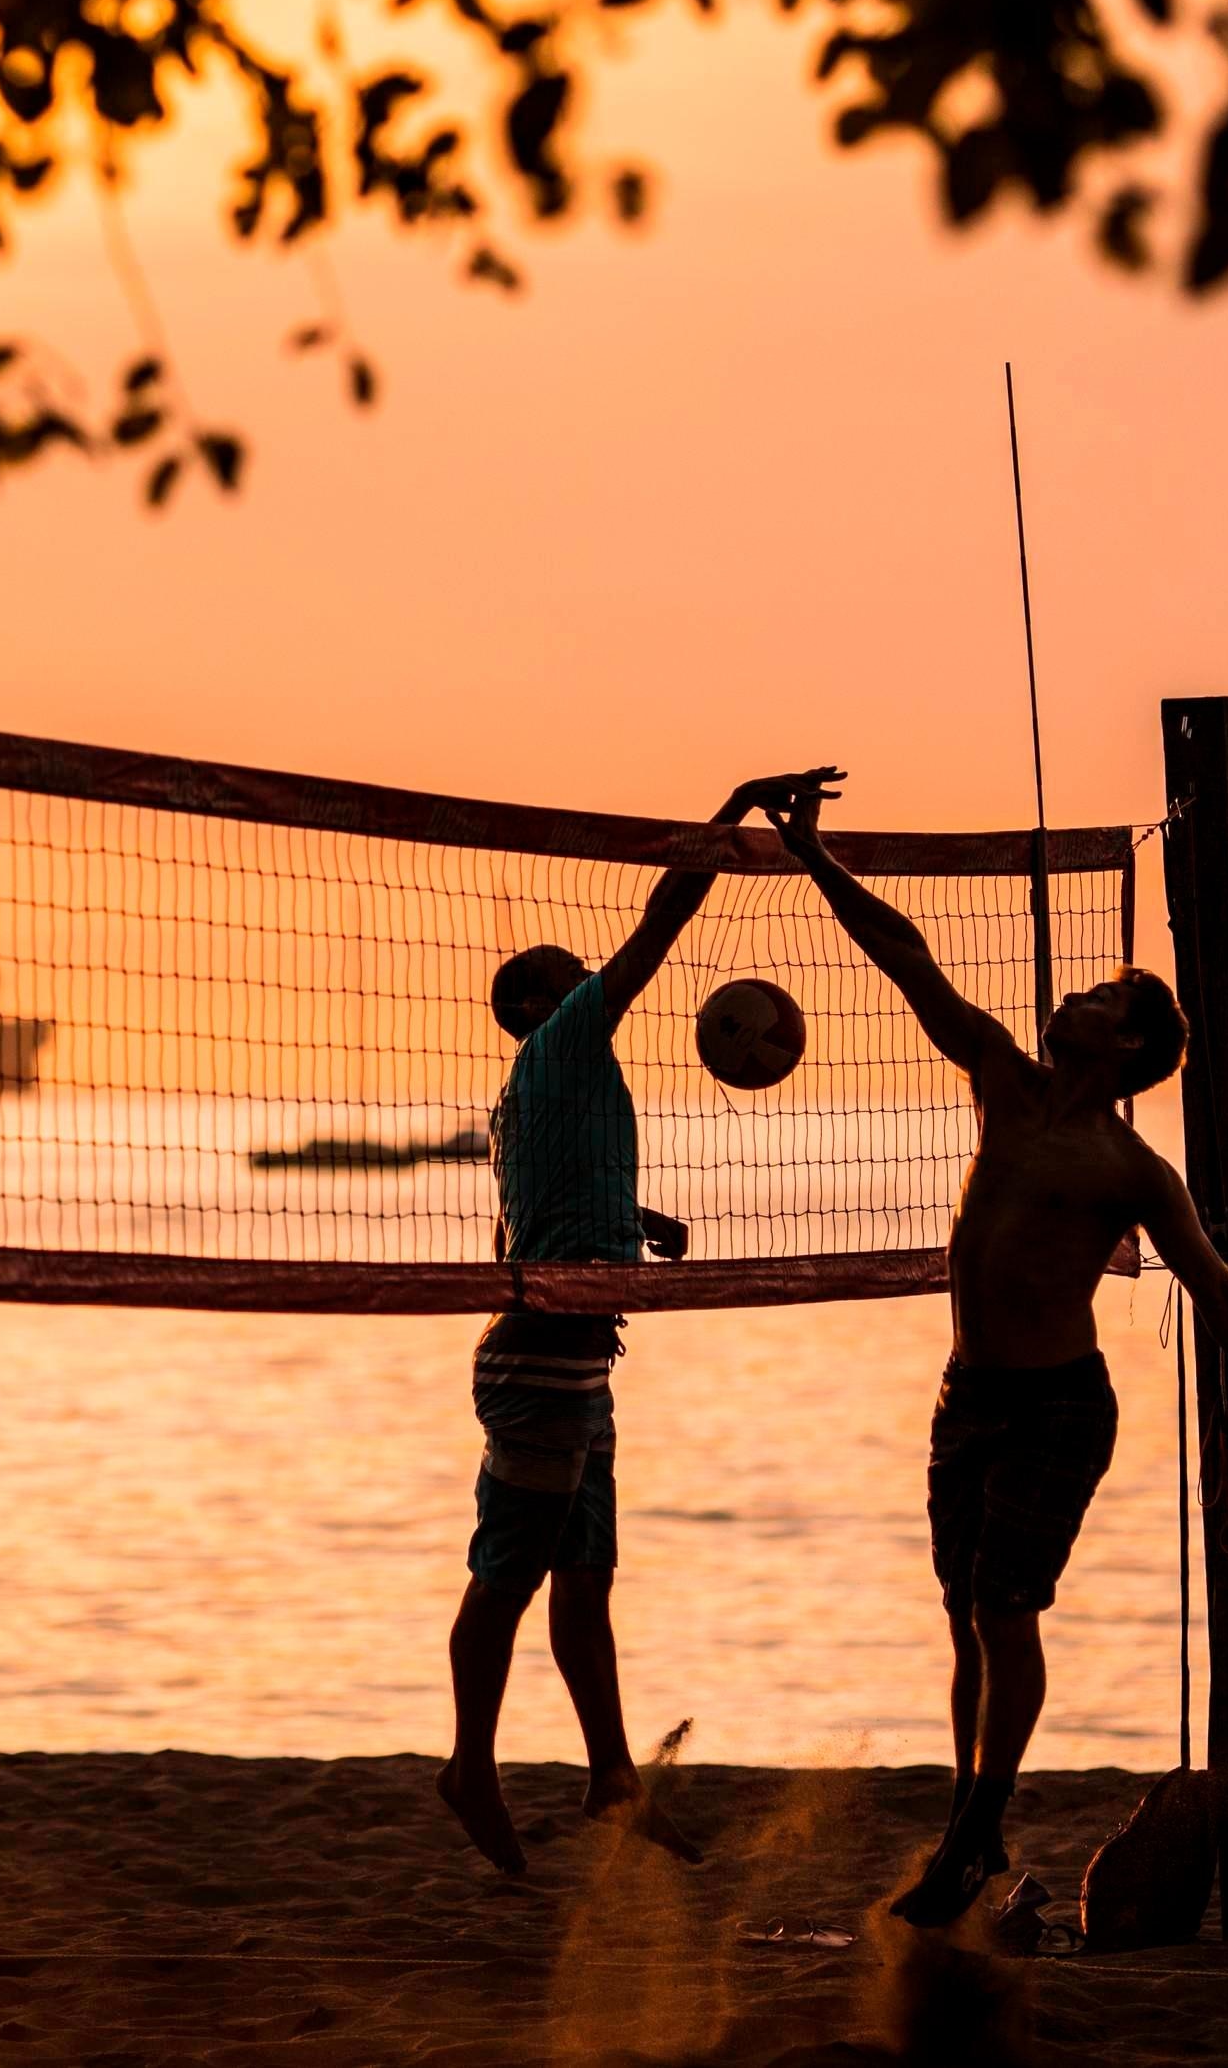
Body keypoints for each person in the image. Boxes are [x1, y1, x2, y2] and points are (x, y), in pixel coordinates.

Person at [768, 776, 1228, 1927]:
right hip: (966, 1393)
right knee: (963, 1621)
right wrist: (812, 855)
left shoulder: (1129, 1170)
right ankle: (972, 1831)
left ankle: (978, 1823)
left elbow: (1223, 1296)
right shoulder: (1001, 1083)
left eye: (1089, 994)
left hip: (1061, 1408)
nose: (1065, 996)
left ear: (1122, 1042)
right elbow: (906, 956)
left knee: (999, 1606)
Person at [437, 767, 823, 1879]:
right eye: (567, 975)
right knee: (507, 1576)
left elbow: (548, 1197)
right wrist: (736, 808)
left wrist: (638, 1222)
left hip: (577, 1357)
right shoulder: (560, 1043)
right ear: (539, 1002)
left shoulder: (552, 1084)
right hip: (540, 1356)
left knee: (582, 1580)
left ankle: (611, 1778)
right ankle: (469, 1764)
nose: (588, 977)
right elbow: (663, 916)